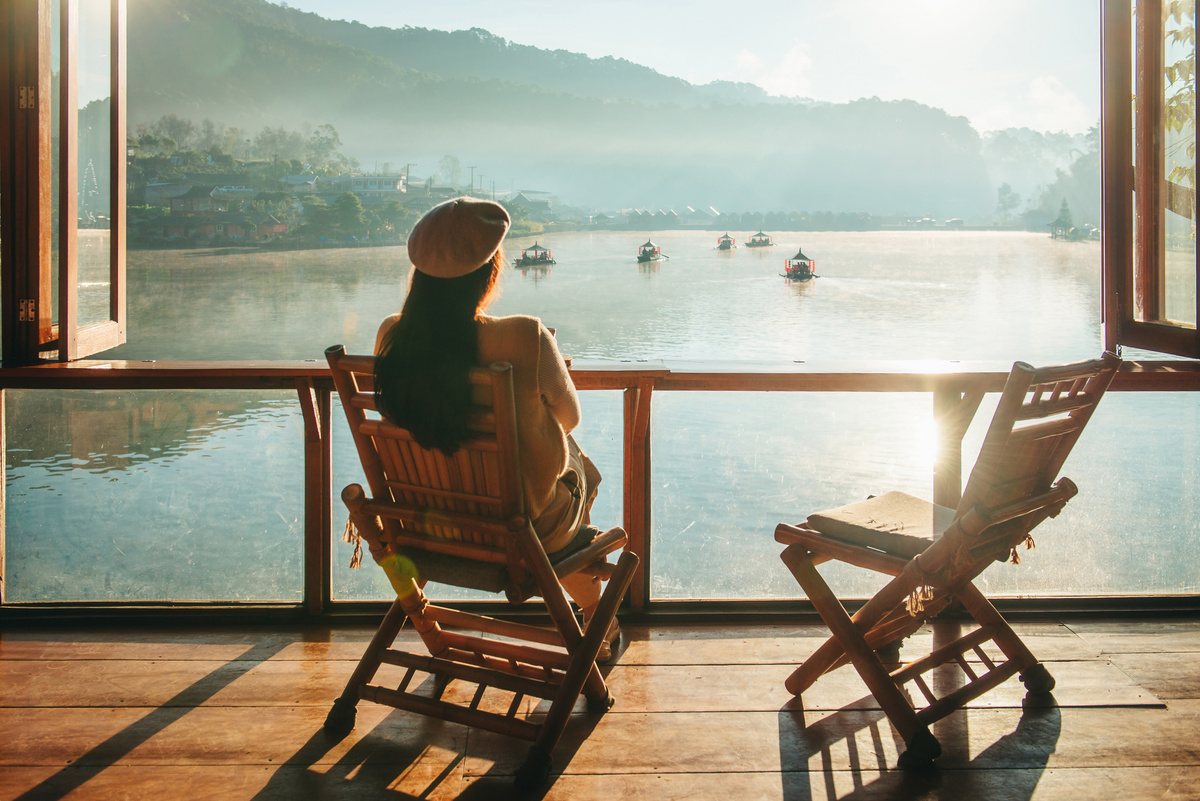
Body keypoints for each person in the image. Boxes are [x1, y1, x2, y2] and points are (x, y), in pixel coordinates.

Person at [373, 196, 619, 660]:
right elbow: (569, 418)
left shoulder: (391, 335)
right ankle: (596, 613)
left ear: (419, 276)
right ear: (490, 272)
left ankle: (595, 610)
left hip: (426, 523)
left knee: (561, 479)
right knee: (577, 467)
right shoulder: (524, 335)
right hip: (514, 531)